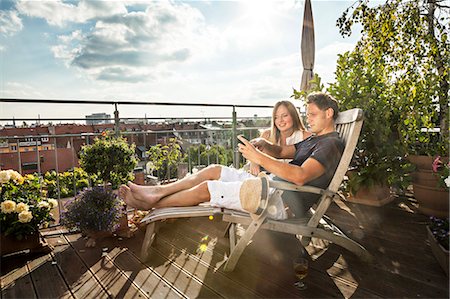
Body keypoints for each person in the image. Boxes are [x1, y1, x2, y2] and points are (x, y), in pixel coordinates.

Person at [120, 92, 344, 220]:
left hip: (279, 200)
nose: (310, 118)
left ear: (329, 113)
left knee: (206, 188)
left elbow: (300, 176)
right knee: (213, 170)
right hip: (269, 187)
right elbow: (282, 151)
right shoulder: (314, 140)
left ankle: (151, 205)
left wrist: (258, 159)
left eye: (313, 114)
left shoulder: (330, 144)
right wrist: (263, 145)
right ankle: (157, 192)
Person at [248, 100, 311, 175]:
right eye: (276, 117)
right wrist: (254, 161)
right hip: (266, 180)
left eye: (284, 116)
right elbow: (253, 152)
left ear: (294, 116)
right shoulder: (267, 135)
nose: (280, 120)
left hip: (290, 183)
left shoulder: (306, 137)